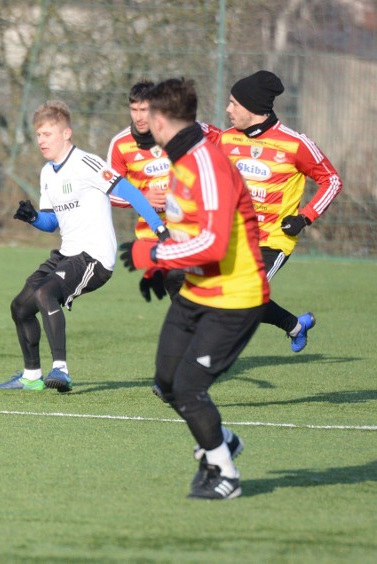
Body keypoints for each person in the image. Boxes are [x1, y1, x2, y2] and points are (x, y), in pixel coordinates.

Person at [119, 78, 269, 500]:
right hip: (196, 292)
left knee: (188, 387)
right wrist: (157, 268)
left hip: (236, 298)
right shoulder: (180, 161)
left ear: (161, 120)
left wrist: (154, 255)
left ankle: (225, 473)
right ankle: (221, 439)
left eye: (147, 115)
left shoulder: (208, 164)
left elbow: (215, 244)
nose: (141, 122)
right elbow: (189, 231)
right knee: (166, 383)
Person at [0, 100, 169, 393]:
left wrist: (161, 230)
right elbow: (52, 223)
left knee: (44, 293)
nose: (41, 141)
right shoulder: (47, 173)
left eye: (47, 134)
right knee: (20, 307)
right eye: (38, 135)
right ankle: (31, 376)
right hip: (67, 253)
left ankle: (60, 370)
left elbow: (133, 193)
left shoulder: (87, 163)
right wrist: (34, 218)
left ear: (66, 134)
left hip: (95, 257)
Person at [221, 70, 342, 352]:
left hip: (271, 241)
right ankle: (295, 325)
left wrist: (305, 217)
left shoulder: (295, 143)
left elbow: (332, 180)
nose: (228, 109)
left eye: (233, 104)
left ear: (252, 107)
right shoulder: (226, 140)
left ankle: (191, 373)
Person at [107, 80, 222, 302]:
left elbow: (224, 139)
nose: (139, 117)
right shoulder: (121, 144)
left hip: (188, 227)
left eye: (144, 110)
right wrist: (141, 199)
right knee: (178, 285)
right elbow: (110, 192)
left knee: (185, 283)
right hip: (151, 234)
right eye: (134, 110)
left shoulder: (181, 131)